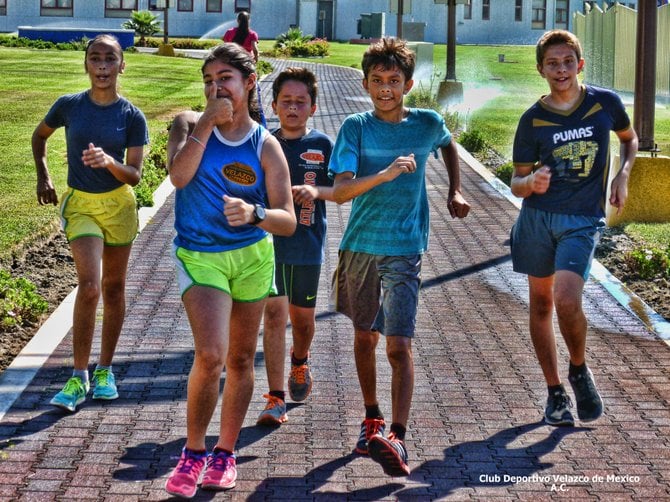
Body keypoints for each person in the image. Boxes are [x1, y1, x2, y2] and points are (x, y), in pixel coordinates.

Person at [328, 37, 470, 477]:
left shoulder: (426, 123)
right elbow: (340, 192)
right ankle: (371, 416)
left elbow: (446, 142)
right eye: (376, 80)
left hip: (405, 247)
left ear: (408, 84)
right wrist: (386, 173)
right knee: (365, 337)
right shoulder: (356, 127)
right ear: (367, 84)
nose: (385, 88)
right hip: (360, 247)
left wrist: (454, 188)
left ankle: (399, 437)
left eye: (393, 80)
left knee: (399, 344)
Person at [164, 43, 295, 499]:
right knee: (212, 354)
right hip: (200, 255)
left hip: (252, 258)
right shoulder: (186, 123)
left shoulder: (266, 143)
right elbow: (178, 177)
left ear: (248, 83)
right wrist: (205, 120)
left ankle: (225, 451)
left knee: (240, 358)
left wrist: (255, 212)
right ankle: (193, 452)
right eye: (209, 80)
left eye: (225, 79)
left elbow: (288, 218)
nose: (216, 87)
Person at [509, 30, 638, 427]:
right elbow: (516, 181)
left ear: (580, 65)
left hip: (582, 219)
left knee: (567, 299)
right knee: (542, 305)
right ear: (540, 69)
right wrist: (530, 184)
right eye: (552, 63)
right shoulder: (533, 119)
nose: (561, 69)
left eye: (568, 61)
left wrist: (622, 175)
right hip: (537, 219)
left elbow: (628, 140)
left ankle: (579, 370)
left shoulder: (605, 104)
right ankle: (555, 393)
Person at [32, 34, 149, 413]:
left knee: (113, 288)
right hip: (80, 205)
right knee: (89, 285)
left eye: (109, 59)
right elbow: (40, 136)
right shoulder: (69, 106)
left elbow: (134, 175)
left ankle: (105, 370)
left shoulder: (131, 116)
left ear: (121, 66)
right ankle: (78, 375)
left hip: (119, 207)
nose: (102, 66)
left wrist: (109, 162)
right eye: (95, 58)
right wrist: (44, 176)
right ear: (86, 64)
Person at [255, 67, 335, 426]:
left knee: (301, 321)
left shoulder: (322, 146)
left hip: (306, 245)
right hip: (270, 247)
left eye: (300, 102)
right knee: (273, 316)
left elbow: (338, 191)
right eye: (285, 101)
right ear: (273, 105)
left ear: (313, 108)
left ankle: (299, 361)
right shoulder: (263, 144)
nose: (292, 108)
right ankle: (275, 398)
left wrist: (316, 191)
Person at [223, 10, 266, 127]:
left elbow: (224, 47)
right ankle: (261, 123)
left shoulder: (230, 33)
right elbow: (255, 50)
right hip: (247, 66)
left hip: (231, 65)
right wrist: (255, 60)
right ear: (249, 21)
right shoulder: (252, 34)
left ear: (238, 20)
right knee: (254, 94)